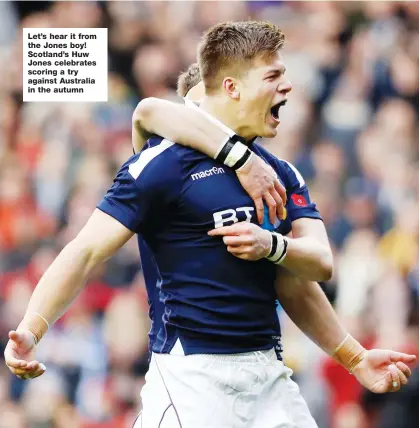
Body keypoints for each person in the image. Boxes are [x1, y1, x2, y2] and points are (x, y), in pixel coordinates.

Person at [4, 21, 415, 428]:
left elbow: (309, 272)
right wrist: (31, 327)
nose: (287, 87)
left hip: (269, 375)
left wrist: (354, 356)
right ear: (231, 88)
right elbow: (86, 250)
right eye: (273, 76)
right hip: (192, 379)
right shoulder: (162, 164)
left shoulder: (280, 173)